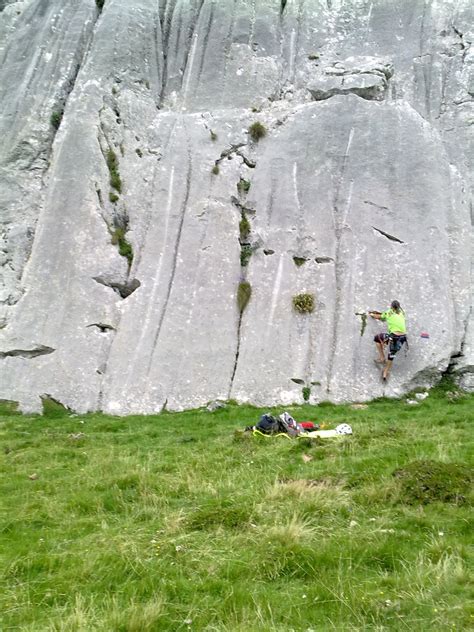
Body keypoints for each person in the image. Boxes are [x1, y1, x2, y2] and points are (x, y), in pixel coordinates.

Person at [369, 300, 407, 381]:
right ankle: (385, 372)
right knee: (392, 354)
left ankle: (382, 357)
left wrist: (372, 314)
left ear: (392, 307)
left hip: (393, 337)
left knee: (377, 338)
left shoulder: (389, 312)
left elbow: (380, 317)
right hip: (403, 337)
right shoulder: (402, 312)